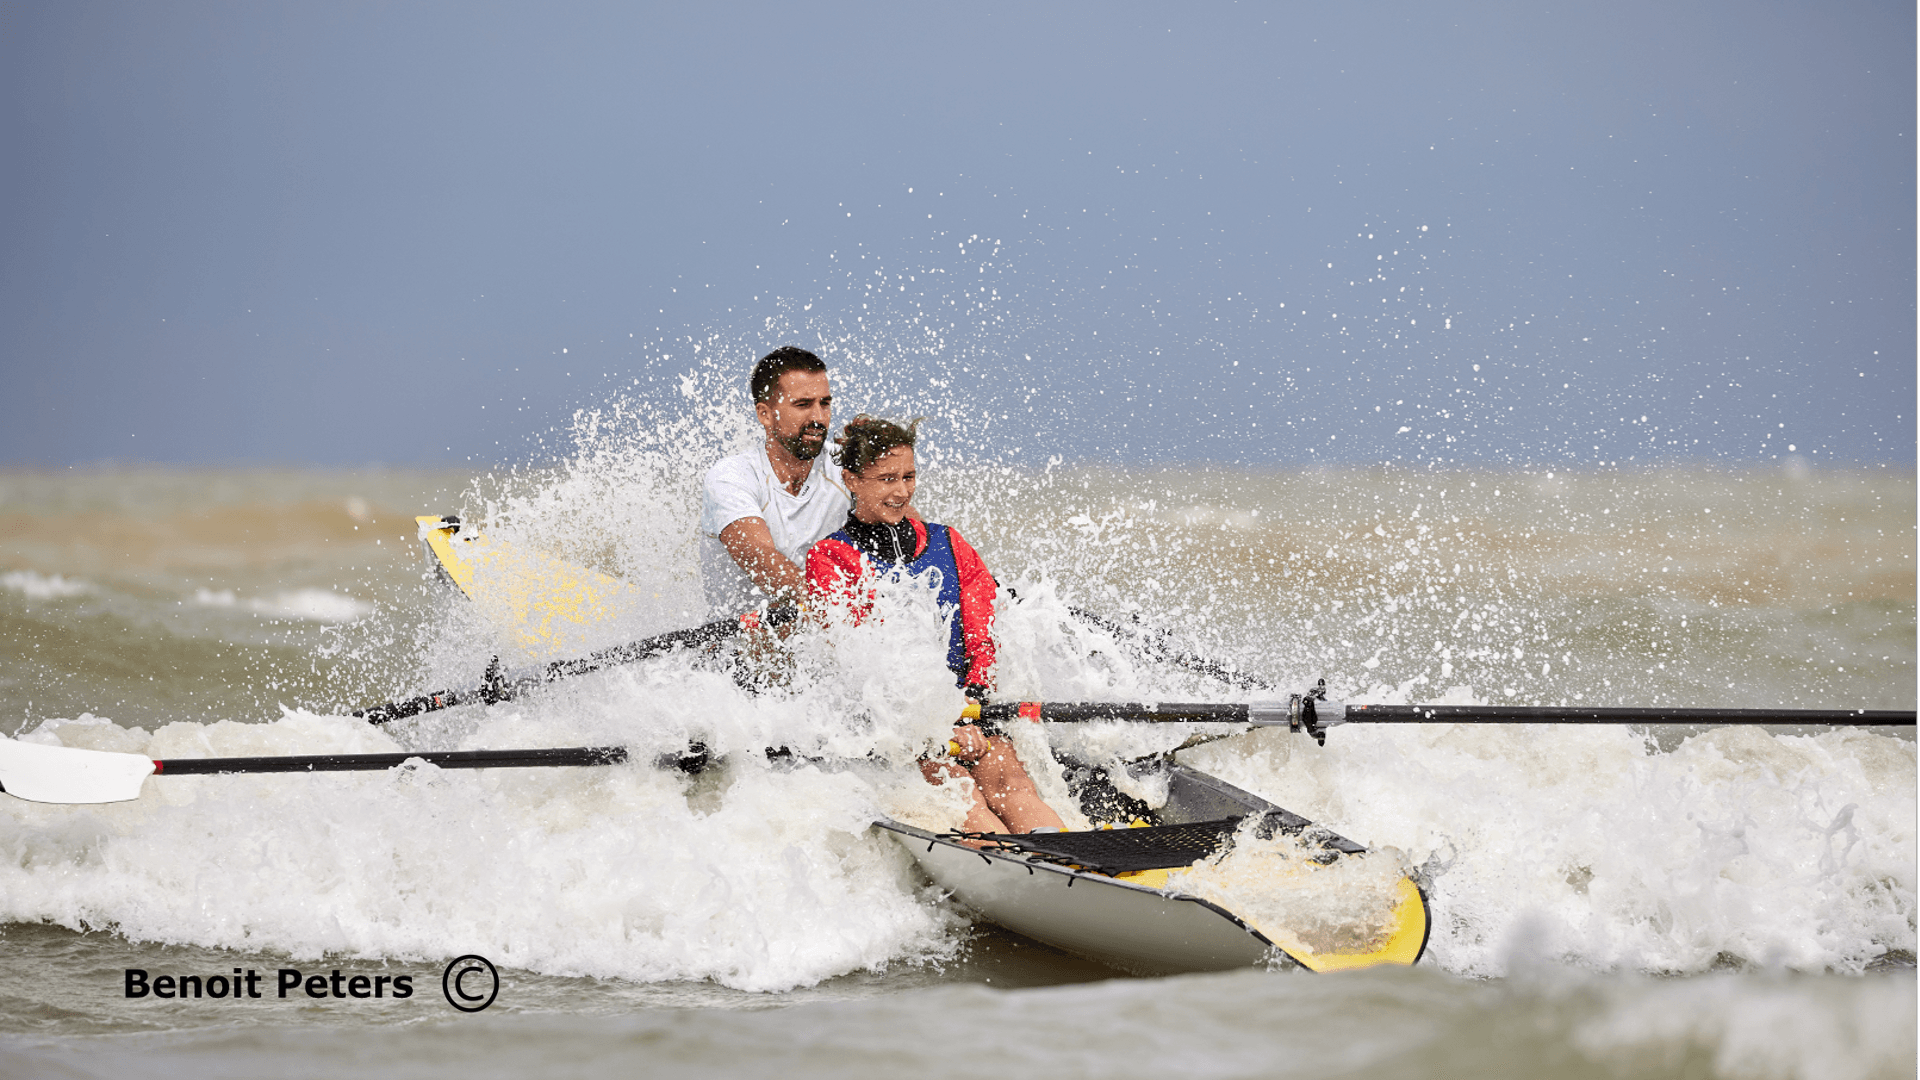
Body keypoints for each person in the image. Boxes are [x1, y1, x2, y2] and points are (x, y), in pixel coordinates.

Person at [806, 416, 1066, 835]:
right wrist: (938, 723)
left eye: (908, 477)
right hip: (898, 725)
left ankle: (1072, 862)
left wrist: (972, 705)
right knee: (962, 793)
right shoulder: (831, 558)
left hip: (970, 709)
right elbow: (862, 659)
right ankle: (1009, 864)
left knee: (1012, 783)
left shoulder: (949, 542)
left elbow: (982, 633)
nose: (902, 491)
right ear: (852, 480)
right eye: (887, 479)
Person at [698, 347, 851, 620]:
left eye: (825, 403)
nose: (818, 418)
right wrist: (829, 607)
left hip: (819, 634)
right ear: (765, 414)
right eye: (803, 405)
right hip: (740, 641)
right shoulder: (731, 476)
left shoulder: (846, 466)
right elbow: (760, 558)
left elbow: (905, 529)